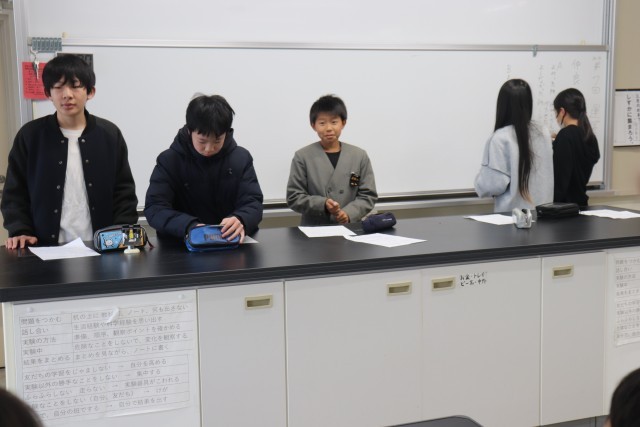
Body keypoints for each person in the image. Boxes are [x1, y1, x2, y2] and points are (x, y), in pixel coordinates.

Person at [1, 54, 138, 249]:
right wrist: (20, 229)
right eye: (58, 87)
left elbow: (124, 191)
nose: (67, 94)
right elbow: (15, 192)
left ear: (90, 91)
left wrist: (121, 231)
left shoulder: (109, 134)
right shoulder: (31, 136)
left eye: (75, 86)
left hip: (102, 246)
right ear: (48, 93)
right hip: (44, 247)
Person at [144, 94, 263, 243]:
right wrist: (188, 226)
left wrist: (241, 218)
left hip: (231, 243)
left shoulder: (241, 158)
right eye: (202, 141)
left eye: (217, 141)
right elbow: (155, 208)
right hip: (181, 246)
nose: (209, 148)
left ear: (226, 133)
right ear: (190, 131)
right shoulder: (169, 161)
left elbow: (253, 202)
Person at [286, 94, 377, 225]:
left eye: (334, 122)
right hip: (314, 229)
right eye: (322, 123)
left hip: (351, 227)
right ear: (313, 125)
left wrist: (349, 213)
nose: (329, 128)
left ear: (343, 123)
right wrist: (323, 204)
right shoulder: (302, 156)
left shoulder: (359, 155)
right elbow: (294, 197)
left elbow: (368, 196)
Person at [474, 79, 553, 212]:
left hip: (512, 218)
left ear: (502, 105)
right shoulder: (543, 132)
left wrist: (479, 182)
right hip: (543, 214)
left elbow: (492, 185)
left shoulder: (500, 138)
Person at [552, 88, 600, 207]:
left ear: (562, 111)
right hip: (581, 203)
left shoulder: (565, 135)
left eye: (556, 112)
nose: (556, 117)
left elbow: (561, 179)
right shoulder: (590, 137)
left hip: (563, 207)